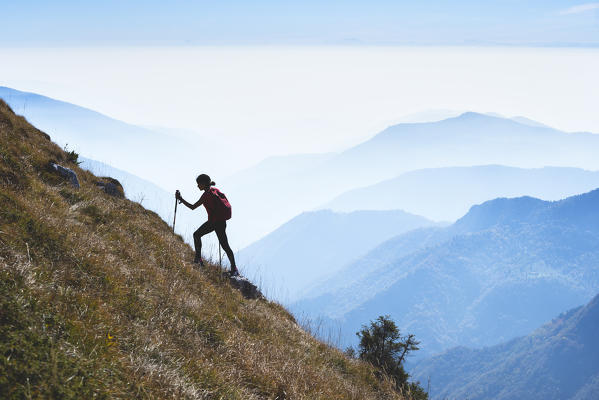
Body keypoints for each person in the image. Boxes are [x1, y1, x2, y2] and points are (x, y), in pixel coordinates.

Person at [176, 174, 239, 276]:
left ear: (203, 183)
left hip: (214, 222)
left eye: (199, 184)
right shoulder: (214, 190)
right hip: (221, 221)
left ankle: (198, 259)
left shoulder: (206, 195)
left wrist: (180, 199)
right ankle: (234, 269)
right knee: (225, 245)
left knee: (197, 235)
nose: (197, 186)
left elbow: (192, 207)